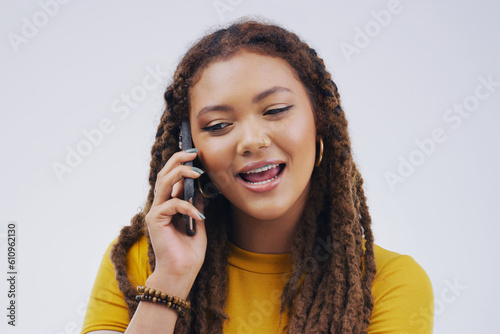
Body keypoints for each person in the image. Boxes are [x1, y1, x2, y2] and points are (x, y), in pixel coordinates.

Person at [81, 18, 434, 334]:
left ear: (320, 124)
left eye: (276, 110)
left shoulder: (388, 283)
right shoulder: (141, 262)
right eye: (218, 125)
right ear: (190, 149)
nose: (251, 141)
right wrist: (172, 280)